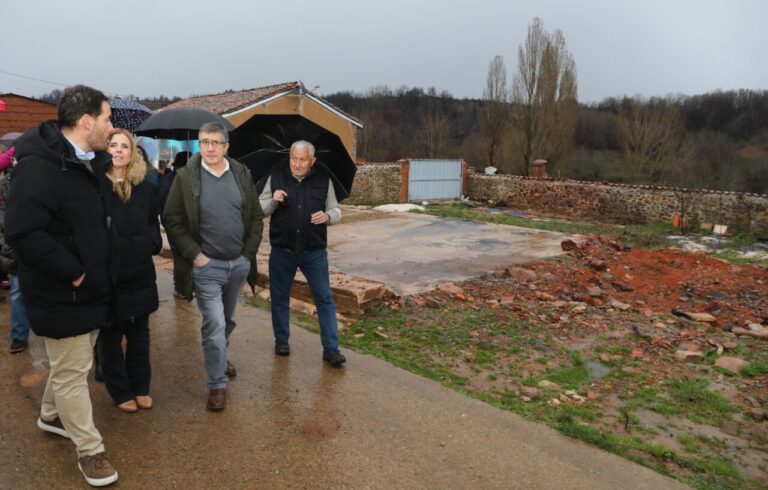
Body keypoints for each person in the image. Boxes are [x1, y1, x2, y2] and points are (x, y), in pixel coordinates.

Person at [4, 84, 119, 486]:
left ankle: (50, 415)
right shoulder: (40, 167)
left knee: (72, 363)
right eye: (107, 117)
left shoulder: (89, 161)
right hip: (62, 289)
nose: (112, 126)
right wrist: (72, 270)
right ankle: (90, 451)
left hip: (88, 287)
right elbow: (20, 230)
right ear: (86, 121)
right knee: (73, 373)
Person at [163, 122, 263, 411]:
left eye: (215, 142)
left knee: (227, 320)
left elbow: (255, 216)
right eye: (204, 142)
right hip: (206, 267)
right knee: (215, 323)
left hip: (239, 264)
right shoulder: (186, 177)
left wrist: (247, 254)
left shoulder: (241, 174)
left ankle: (220, 355)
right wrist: (195, 255)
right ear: (199, 144)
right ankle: (217, 384)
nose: (209, 147)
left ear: (226, 146)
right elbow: (172, 219)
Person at [259, 140, 346, 367]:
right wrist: (273, 201)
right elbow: (259, 210)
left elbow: (336, 210)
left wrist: (327, 217)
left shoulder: (323, 180)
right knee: (279, 297)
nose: (296, 164)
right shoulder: (276, 176)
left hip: (314, 251)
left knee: (324, 299)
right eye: (293, 158)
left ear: (312, 161)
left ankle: (331, 349)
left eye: (302, 159)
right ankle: (281, 341)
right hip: (282, 250)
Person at [98, 129, 161, 413]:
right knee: (110, 336)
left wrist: (153, 242)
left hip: (140, 273)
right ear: (106, 150)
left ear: (133, 152)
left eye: (125, 146)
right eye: (114, 145)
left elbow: (152, 221)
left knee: (139, 335)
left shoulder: (145, 187)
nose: (119, 151)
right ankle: (120, 389)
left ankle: (140, 387)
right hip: (109, 273)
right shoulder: (96, 186)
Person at [0, 153, 31, 353]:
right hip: (16, 249)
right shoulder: (5, 185)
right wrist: (9, 248)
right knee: (18, 293)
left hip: (43, 247)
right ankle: (19, 336)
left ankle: (51, 331)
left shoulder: (44, 179)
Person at [160, 151, 190, 299]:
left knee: (184, 255)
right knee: (180, 255)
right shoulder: (173, 180)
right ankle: (181, 288)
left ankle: (185, 286)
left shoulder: (169, 178)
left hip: (181, 224)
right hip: (175, 223)